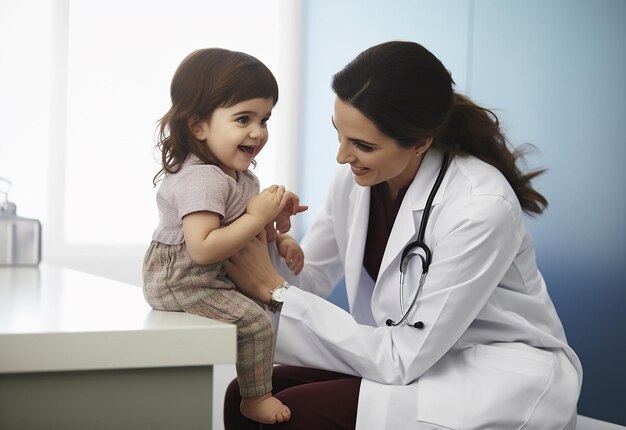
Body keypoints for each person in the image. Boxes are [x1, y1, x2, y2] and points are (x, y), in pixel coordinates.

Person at [223, 41, 582, 429]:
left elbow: (401, 356)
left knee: (293, 416)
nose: (342, 157)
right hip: (410, 358)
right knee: (242, 393)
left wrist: (273, 289)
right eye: (339, 134)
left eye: (363, 145)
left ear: (420, 143)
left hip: (491, 375)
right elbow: (309, 282)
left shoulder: (481, 206)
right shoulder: (354, 182)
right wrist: (269, 244)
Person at [142, 48, 307, 425]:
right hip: (180, 280)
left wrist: (280, 237)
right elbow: (202, 248)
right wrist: (257, 215)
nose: (258, 132)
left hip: (209, 277)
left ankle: (258, 388)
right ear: (199, 126)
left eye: (264, 119)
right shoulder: (201, 177)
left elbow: (254, 233)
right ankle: (256, 397)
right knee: (255, 323)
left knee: (269, 313)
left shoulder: (244, 177)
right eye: (243, 118)